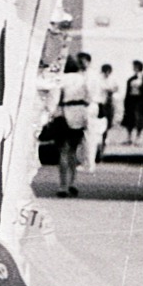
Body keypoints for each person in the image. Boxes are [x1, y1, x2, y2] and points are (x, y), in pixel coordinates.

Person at [51, 55, 91, 198]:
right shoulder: (82, 79)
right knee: (73, 151)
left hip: (64, 114)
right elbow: (89, 98)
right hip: (79, 114)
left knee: (63, 151)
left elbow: (55, 98)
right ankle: (72, 183)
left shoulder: (61, 79)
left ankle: (62, 186)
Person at [123, 60, 143, 143]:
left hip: (140, 101)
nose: (134, 68)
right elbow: (128, 91)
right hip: (131, 100)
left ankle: (138, 137)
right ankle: (129, 137)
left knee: (140, 119)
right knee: (130, 118)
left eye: (135, 66)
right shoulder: (131, 79)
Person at [96, 63, 116, 160]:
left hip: (109, 104)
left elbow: (115, 88)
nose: (107, 74)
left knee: (106, 128)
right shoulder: (99, 79)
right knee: (99, 127)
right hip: (100, 104)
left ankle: (103, 148)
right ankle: (98, 148)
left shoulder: (112, 79)